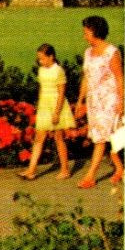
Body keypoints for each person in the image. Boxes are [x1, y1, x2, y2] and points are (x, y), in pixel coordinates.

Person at [73, 15, 124, 189]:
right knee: (106, 136)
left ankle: (90, 177)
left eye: (86, 32)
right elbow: (86, 78)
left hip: (109, 100)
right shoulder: (88, 52)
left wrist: (121, 102)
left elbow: (119, 78)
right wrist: (80, 100)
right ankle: (119, 168)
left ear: (95, 32)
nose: (84, 36)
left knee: (100, 139)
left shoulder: (112, 52)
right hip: (94, 101)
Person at [21, 43, 74, 180]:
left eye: (43, 58)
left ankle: (65, 170)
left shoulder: (58, 71)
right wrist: (39, 105)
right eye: (39, 59)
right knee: (39, 138)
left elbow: (61, 93)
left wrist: (56, 112)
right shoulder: (41, 70)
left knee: (58, 137)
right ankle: (31, 170)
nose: (41, 61)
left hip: (57, 106)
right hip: (45, 106)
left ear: (52, 57)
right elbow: (41, 88)